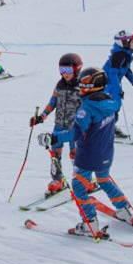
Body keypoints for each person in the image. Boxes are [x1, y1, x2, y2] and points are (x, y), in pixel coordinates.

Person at [65, 67, 133, 237]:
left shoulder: (86, 109)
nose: (81, 87)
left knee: (79, 186)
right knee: (104, 180)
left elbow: (75, 133)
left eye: (84, 84)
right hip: (106, 153)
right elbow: (112, 118)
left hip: (87, 155)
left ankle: (90, 223)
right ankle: (125, 211)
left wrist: (53, 139)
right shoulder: (110, 102)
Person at [30, 53, 84, 194]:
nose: (64, 74)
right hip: (60, 124)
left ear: (77, 69)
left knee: (75, 153)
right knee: (55, 152)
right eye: (62, 70)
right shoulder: (59, 85)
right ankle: (57, 179)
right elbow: (52, 103)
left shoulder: (82, 87)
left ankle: (83, 180)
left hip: (75, 126)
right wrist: (42, 117)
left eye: (68, 70)